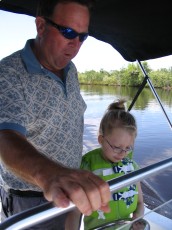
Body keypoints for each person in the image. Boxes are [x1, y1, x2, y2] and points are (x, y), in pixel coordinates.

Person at [0, 0, 111, 229]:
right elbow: (5, 136)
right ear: (41, 26)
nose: (76, 44)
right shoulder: (9, 73)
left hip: (71, 189)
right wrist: (50, 175)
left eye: (83, 37)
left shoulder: (71, 70)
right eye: (68, 32)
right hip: (30, 200)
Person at [69, 99, 145, 230]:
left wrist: (138, 217)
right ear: (101, 140)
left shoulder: (131, 166)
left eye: (128, 148)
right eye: (117, 147)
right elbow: (74, 213)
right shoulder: (87, 166)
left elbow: (140, 202)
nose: (122, 153)